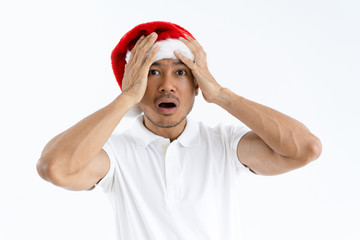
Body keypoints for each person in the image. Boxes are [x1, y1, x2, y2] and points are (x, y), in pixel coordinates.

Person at [37, 21, 322, 239]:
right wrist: (125, 98)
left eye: (181, 71)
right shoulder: (116, 154)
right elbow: (54, 167)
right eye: (153, 71)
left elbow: (305, 149)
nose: (167, 85)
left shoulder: (224, 144)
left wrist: (222, 95)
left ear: (197, 84)